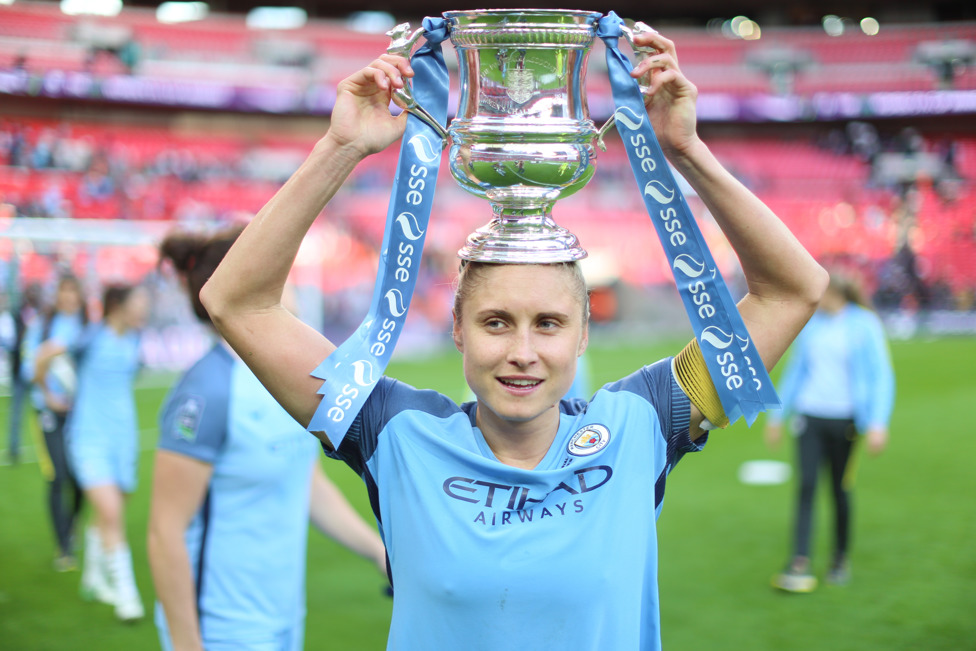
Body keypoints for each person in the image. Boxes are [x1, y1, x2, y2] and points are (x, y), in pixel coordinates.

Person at [200, 30, 828, 650]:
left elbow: (792, 290)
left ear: (583, 335)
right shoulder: (394, 433)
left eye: (549, 324)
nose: (522, 351)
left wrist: (687, 151)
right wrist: (340, 146)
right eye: (495, 321)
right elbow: (237, 303)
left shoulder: (641, 425)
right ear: (457, 330)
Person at [148, 227, 387, 651]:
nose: (291, 286)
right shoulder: (208, 391)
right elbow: (165, 532)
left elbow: (304, 481)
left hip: (282, 619)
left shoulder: (281, 381)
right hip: (220, 630)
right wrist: (187, 643)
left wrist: (377, 551)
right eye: (282, 274)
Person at [766, 269, 895, 593]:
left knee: (839, 489)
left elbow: (881, 375)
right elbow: (797, 370)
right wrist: (777, 416)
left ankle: (839, 559)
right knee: (806, 486)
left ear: (834, 294)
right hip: (810, 417)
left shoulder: (864, 324)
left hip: (847, 421)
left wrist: (878, 423)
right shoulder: (812, 324)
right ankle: (799, 560)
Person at [63, 283, 150, 621]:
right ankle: (127, 597)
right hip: (89, 438)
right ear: (117, 305)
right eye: (138, 301)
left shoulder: (134, 339)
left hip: (123, 438)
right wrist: (52, 394)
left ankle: (93, 577)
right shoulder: (88, 337)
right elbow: (44, 357)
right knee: (111, 513)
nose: (144, 309)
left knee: (110, 511)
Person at [21, 274, 88, 570]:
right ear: (57, 295)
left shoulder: (88, 328)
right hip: (48, 413)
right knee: (58, 476)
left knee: (80, 479)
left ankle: (70, 527)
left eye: (74, 292)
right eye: (64, 292)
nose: (69, 298)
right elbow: (28, 368)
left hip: (80, 415)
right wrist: (48, 395)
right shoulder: (42, 326)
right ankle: (63, 547)